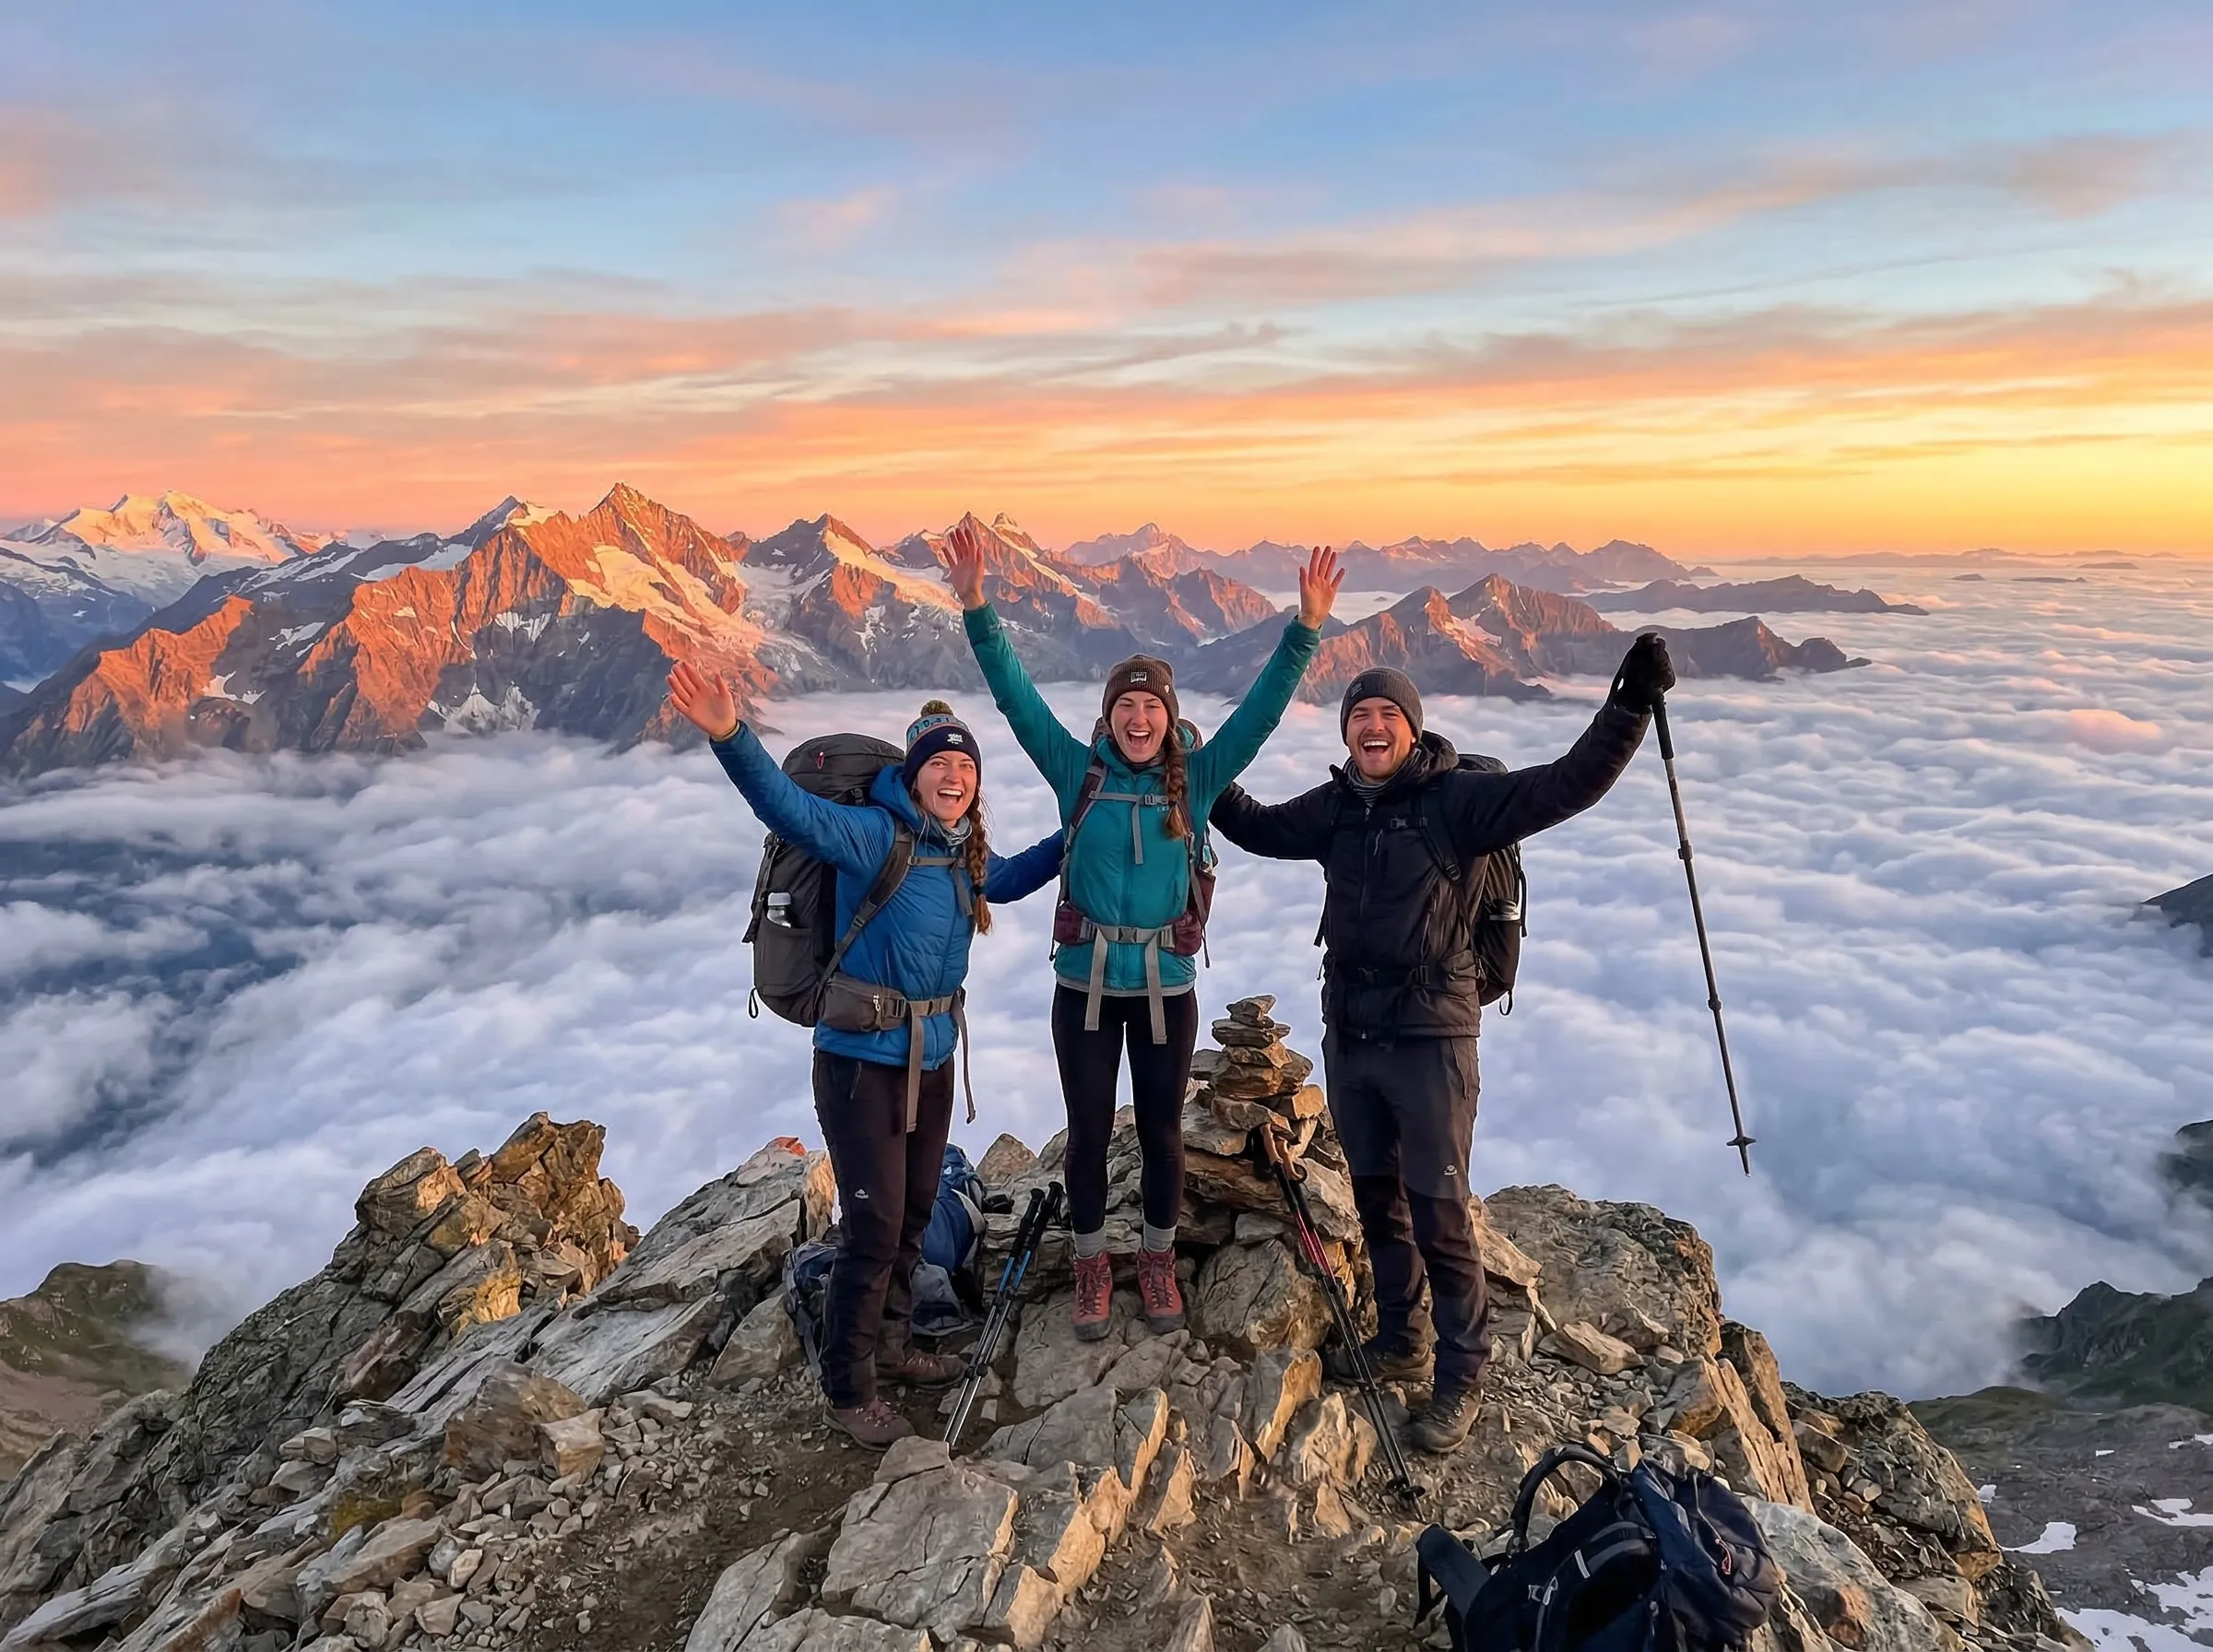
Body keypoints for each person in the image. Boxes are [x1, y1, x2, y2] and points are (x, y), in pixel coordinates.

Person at [1207, 635, 1676, 1452]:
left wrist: (1628, 706)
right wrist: (1194, 758)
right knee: (1377, 1198)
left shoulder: (1457, 802)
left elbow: (1567, 785)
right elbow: (1253, 826)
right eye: (1360, 715)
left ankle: (1461, 1373)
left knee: (1440, 1210)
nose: (1373, 726)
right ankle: (1402, 1338)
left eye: (1388, 713)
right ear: (1347, 732)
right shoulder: (1336, 808)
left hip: (1431, 1038)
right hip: (1352, 1032)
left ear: (1413, 729)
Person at [947, 520, 1343, 1341]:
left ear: (1168, 716)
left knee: (1162, 1133)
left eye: (1150, 705)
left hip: (1166, 992)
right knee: (1090, 1133)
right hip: (1085, 989)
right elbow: (1017, 699)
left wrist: (1304, 629)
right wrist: (978, 607)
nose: (1137, 718)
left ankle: (1155, 1260)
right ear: (1109, 718)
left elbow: (1259, 717)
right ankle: (1093, 1265)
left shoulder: (1194, 781)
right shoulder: (1075, 771)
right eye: (1124, 706)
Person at [667, 663, 1064, 1448]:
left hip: (933, 1057)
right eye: (939, 765)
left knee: (915, 1213)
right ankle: (849, 1388)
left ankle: (895, 1345)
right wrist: (729, 736)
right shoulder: (873, 835)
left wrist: (1076, 832)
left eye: (965, 767)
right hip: (858, 1064)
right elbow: (786, 808)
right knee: (873, 1226)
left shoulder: (960, 853)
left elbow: (1014, 878)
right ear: (912, 778)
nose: (953, 776)